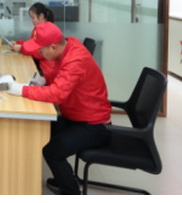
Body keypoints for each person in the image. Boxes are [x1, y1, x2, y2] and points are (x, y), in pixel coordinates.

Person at [7, 21, 111, 195]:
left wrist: (22, 90)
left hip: (94, 125)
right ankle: (62, 177)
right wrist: (44, 80)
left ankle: (71, 193)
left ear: (53, 47)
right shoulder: (68, 46)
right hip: (77, 115)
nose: (39, 54)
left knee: (52, 151)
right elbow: (59, 74)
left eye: (41, 50)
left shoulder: (76, 59)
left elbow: (57, 94)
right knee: (37, 129)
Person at [9, 2, 55, 76]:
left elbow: (39, 53)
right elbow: (31, 44)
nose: (31, 20)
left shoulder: (47, 31)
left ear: (41, 16)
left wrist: (21, 48)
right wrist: (18, 43)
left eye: (33, 17)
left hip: (46, 70)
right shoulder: (38, 29)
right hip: (40, 65)